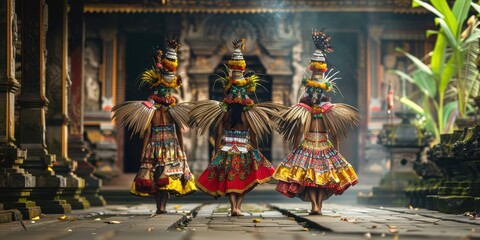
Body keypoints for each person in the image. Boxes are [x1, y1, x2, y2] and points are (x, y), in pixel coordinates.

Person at [190, 39, 281, 216]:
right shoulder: (248, 114)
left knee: (232, 182)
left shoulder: (225, 112)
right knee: (243, 180)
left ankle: (234, 207)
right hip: (243, 150)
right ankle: (237, 207)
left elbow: (217, 133)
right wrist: (255, 151)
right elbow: (253, 135)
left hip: (227, 149)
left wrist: (216, 151)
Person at [273, 30, 359, 215]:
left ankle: (317, 205)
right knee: (311, 180)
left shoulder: (330, 111)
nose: (314, 96)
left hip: (323, 145)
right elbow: (299, 131)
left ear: (322, 93)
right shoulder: (303, 111)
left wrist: (336, 151)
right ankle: (315, 206)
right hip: (309, 145)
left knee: (321, 180)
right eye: (311, 92)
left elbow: (334, 132)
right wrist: (296, 148)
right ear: (307, 93)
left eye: (317, 93)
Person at [112, 37, 196, 214]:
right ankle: (160, 206)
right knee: (158, 178)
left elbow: (178, 131)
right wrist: (144, 150)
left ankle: (162, 206)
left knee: (165, 178)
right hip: (159, 146)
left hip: (169, 146)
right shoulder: (153, 110)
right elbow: (147, 131)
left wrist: (181, 150)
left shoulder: (173, 110)